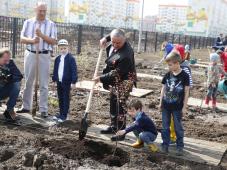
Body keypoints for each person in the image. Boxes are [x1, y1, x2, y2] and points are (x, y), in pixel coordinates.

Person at [94, 29, 137, 141]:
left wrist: (101, 78)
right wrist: (106, 38)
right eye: (113, 42)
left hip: (125, 80)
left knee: (120, 106)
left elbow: (116, 72)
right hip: (115, 79)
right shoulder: (115, 40)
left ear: (124, 40)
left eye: (118, 43)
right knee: (113, 102)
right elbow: (116, 32)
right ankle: (114, 126)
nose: (115, 45)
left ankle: (121, 132)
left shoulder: (126, 54)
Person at [18, 2, 57, 118]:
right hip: (30, 54)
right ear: (35, 10)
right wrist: (32, 40)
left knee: (44, 84)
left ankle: (43, 109)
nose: (42, 13)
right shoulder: (28, 22)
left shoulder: (51, 24)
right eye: (40, 10)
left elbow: (54, 41)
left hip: (44, 55)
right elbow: (21, 38)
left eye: (44, 11)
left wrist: (42, 35)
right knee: (28, 81)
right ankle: (26, 106)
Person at [159, 51, 190, 155]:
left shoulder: (184, 76)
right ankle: (165, 145)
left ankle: (180, 146)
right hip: (166, 106)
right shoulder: (168, 74)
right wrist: (160, 102)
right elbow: (163, 88)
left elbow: (186, 92)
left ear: (177, 63)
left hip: (177, 107)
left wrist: (184, 107)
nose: (169, 67)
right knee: (165, 127)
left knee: (178, 127)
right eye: (168, 65)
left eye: (170, 65)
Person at [52, 39, 78, 122]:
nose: (63, 50)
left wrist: (74, 81)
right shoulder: (57, 59)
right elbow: (55, 70)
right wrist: (54, 79)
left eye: (65, 48)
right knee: (60, 97)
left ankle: (64, 115)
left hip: (67, 82)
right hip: (59, 81)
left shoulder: (71, 58)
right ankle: (61, 113)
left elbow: (74, 70)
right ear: (59, 49)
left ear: (68, 48)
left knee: (65, 98)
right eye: (61, 49)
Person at [0, 48, 23, 121]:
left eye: (8, 60)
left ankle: (9, 110)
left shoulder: (10, 63)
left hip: (3, 90)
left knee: (16, 84)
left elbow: (19, 75)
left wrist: (9, 78)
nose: (7, 62)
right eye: (5, 60)